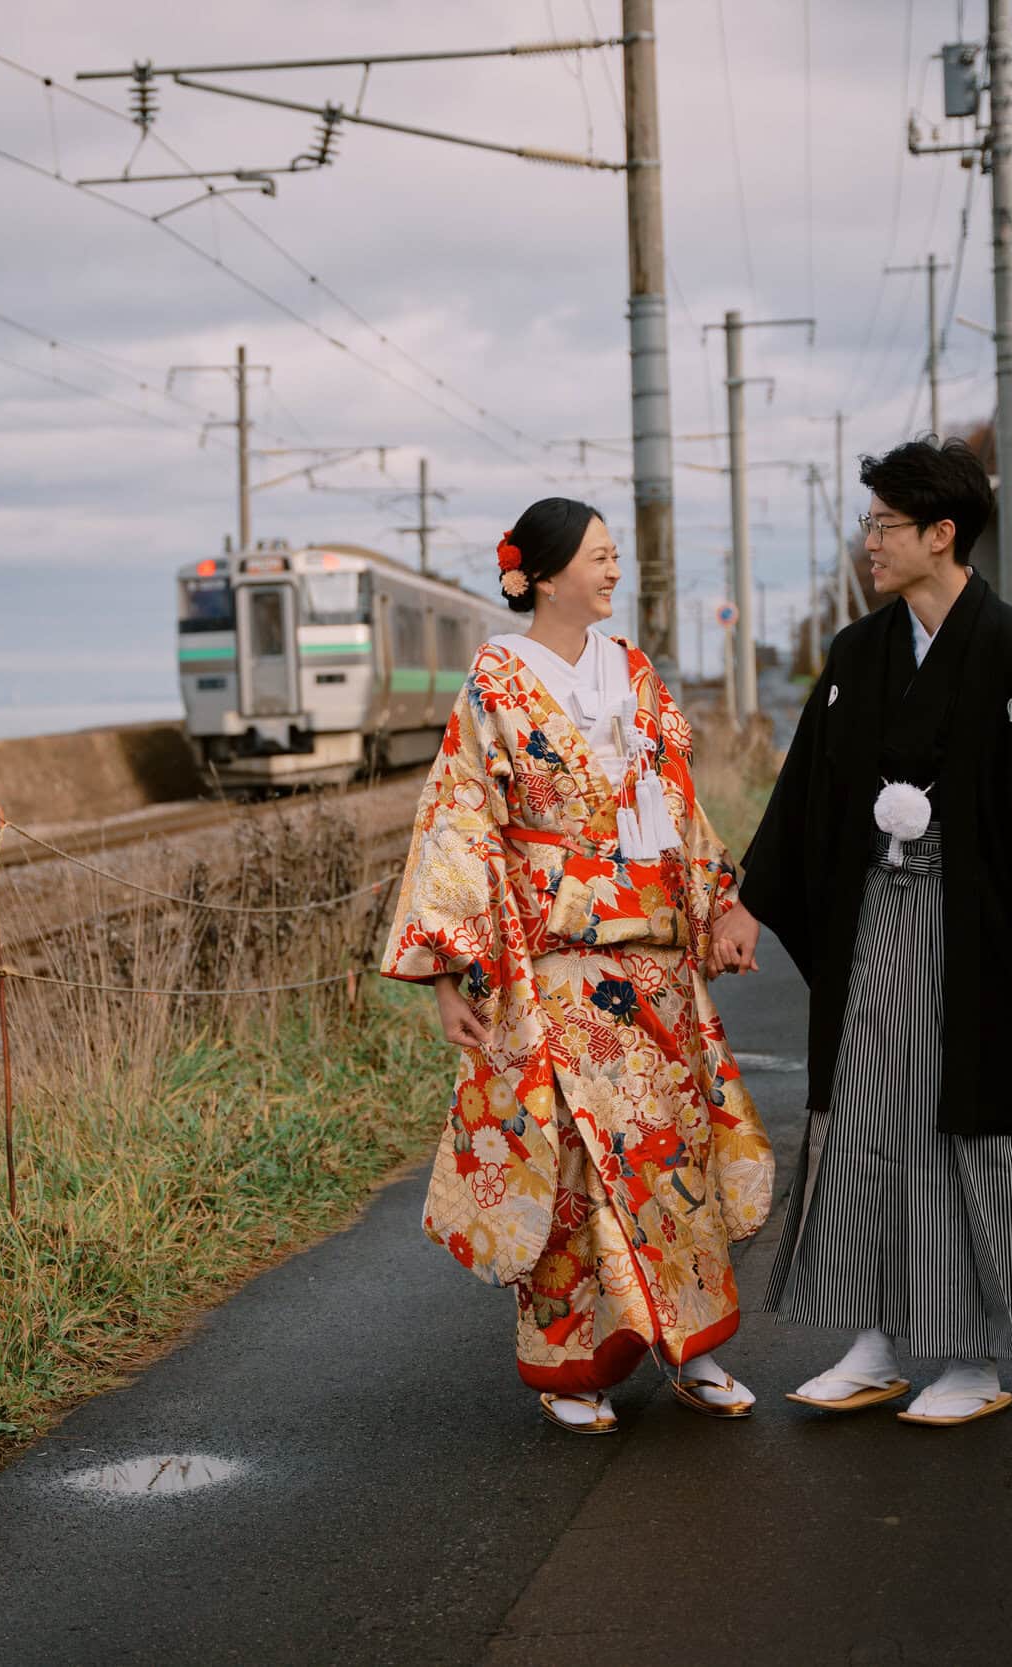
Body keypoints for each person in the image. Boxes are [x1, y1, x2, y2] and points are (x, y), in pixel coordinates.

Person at [713, 437, 1012, 1428]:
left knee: (973, 1136)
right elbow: (806, 790)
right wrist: (748, 899)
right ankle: (873, 1340)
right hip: (874, 926)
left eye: (884, 525)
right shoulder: (859, 654)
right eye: (870, 524)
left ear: (941, 534)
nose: (869, 542)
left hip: (980, 936)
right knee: (863, 1125)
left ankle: (979, 1354)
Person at [381, 497, 775, 1435]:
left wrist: (720, 906)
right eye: (599, 557)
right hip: (549, 964)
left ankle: (695, 1348)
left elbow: (679, 803)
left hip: (651, 965)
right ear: (546, 574)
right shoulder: (496, 679)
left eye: (615, 555)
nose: (614, 570)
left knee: (665, 1150)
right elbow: (459, 823)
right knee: (571, 1169)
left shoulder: (633, 670)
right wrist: (447, 974)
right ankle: (569, 1366)